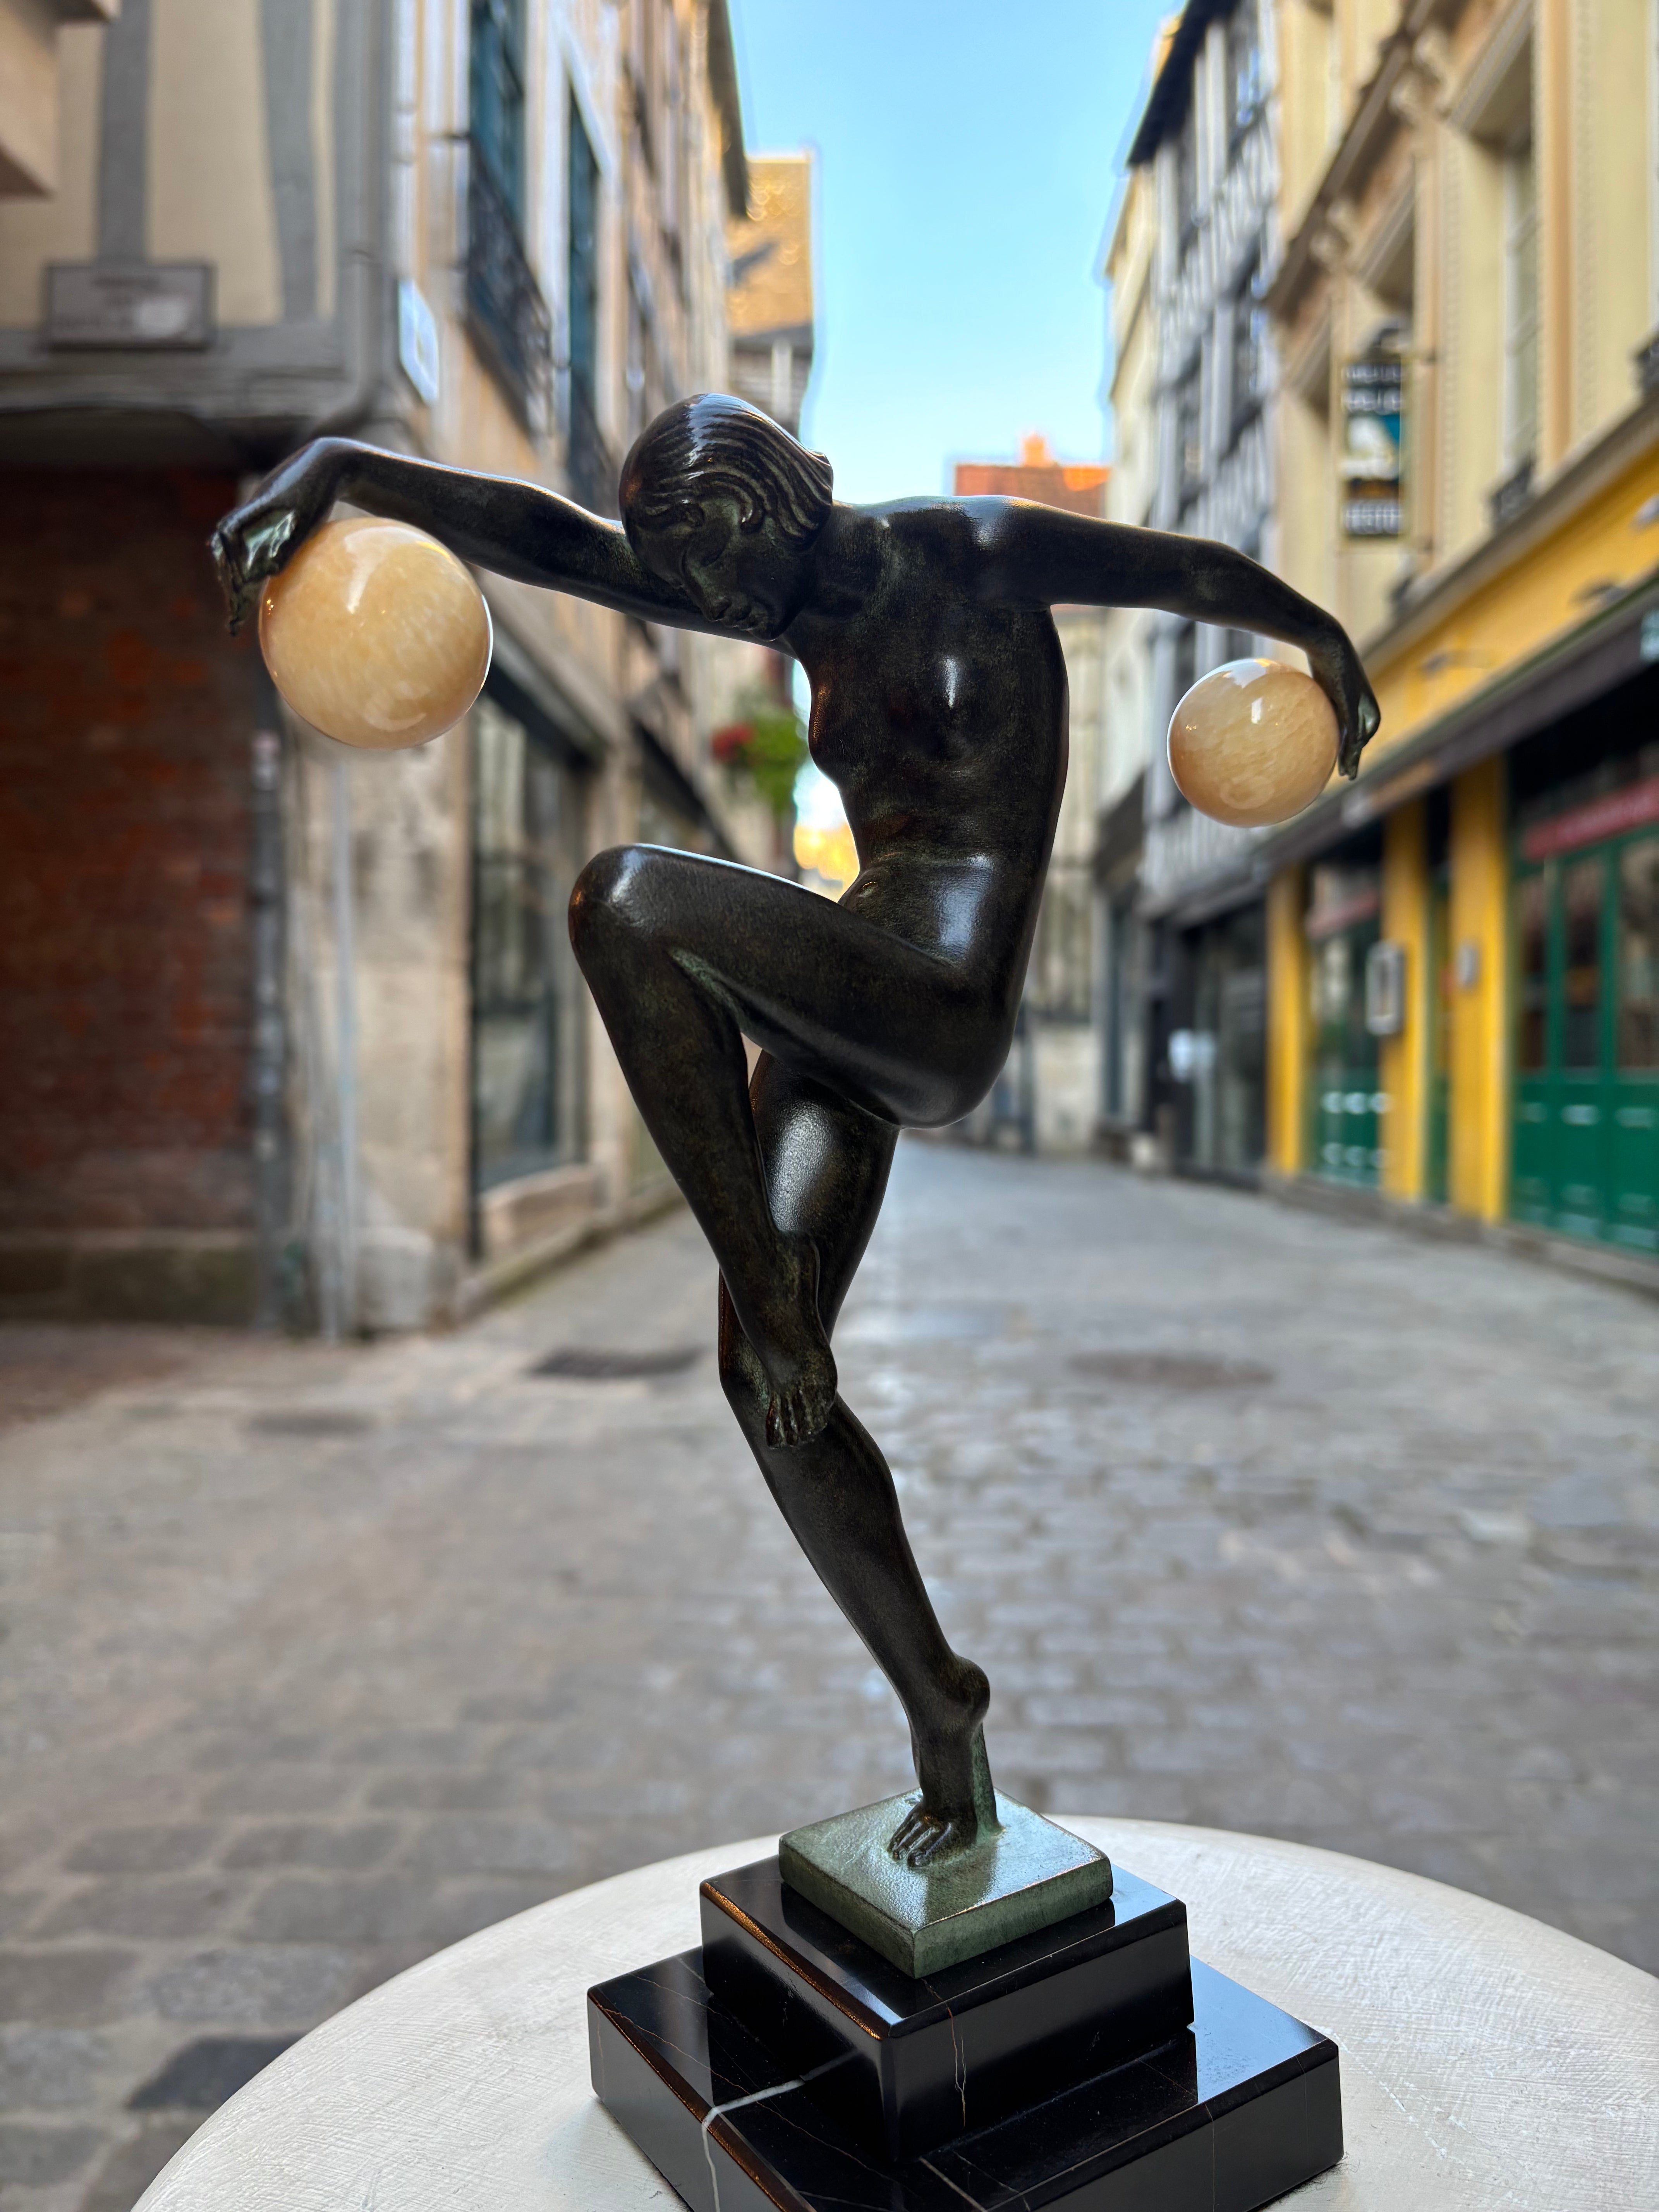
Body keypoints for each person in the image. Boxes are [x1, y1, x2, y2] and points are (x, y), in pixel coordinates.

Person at [213, 394, 1379, 1866]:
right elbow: (545, 541)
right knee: (766, 1387)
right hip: (851, 987)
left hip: (944, 997)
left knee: (625, 900)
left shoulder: (962, 550)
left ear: (791, 503)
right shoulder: (753, 590)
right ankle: (941, 1711)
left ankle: (771, 1290)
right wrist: (337, 469)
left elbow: (1177, 571)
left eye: (727, 578)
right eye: (691, 583)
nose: (715, 610)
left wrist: (1315, 638)